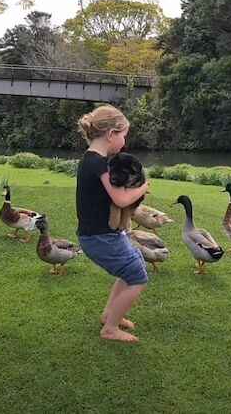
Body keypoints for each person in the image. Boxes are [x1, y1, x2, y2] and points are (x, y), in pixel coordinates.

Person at [76, 105, 150, 343]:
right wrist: (143, 187)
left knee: (132, 265)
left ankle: (110, 314)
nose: (124, 142)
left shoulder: (90, 160)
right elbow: (120, 198)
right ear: (110, 134)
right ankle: (109, 328)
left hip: (99, 235)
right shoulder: (100, 165)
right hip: (99, 237)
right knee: (138, 278)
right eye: (123, 135)